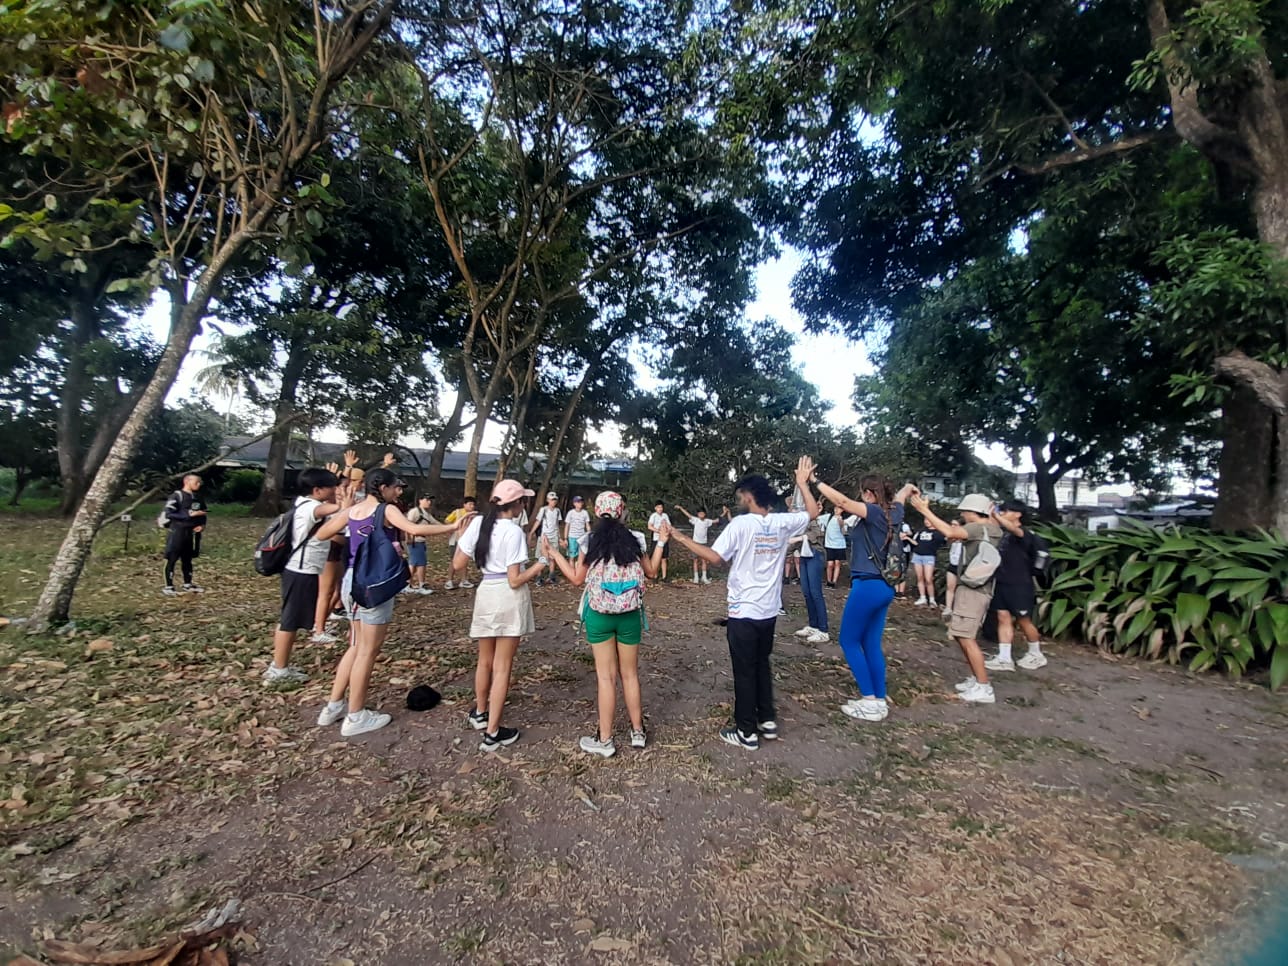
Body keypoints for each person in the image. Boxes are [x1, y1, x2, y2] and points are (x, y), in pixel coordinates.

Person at [663, 458, 819, 751]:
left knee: (745, 670)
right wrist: (802, 483)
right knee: (761, 663)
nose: (738, 502)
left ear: (749, 497)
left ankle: (746, 731)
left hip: (743, 611)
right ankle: (767, 720)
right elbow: (812, 512)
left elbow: (715, 558)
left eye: (739, 497)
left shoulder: (741, 525)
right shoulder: (781, 522)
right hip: (769, 611)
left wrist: (681, 537)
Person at [312, 469, 466, 737]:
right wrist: (452, 527)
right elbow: (415, 528)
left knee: (356, 645)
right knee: (367, 652)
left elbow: (323, 533)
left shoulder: (354, 510)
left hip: (351, 579)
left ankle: (333, 706)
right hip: (374, 582)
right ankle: (356, 715)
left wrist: (350, 526)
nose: (399, 491)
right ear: (382, 488)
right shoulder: (386, 510)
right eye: (397, 487)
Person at [543, 491, 666, 757]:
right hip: (630, 613)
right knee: (630, 674)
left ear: (597, 513)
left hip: (599, 614)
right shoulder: (636, 539)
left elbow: (577, 579)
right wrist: (662, 543)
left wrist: (554, 552)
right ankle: (637, 732)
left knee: (606, 677)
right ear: (622, 512)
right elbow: (652, 572)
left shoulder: (589, 540)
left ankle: (606, 739)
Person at [455, 479, 550, 752]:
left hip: (486, 592)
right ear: (517, 505)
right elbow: (515, 580)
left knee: (485, 660)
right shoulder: (513, 532)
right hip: (507, 598)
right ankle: (493, 732)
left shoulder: (478, 524)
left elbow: (458, 562)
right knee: (502, 666)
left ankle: (480, 712)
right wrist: (542, 564)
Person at [814, 475, 918, 722]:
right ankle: (878, 700)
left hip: (867, 584)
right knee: (870, 642)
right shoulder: (895, 511)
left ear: (869, 494)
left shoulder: (873, 512)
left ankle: (869, 699)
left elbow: (842, 501)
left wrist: (815, 481)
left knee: (848, 641)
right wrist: (907, 488)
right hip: (884, 586)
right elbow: (901, 496)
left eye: (862, 493)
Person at [911, 492, 1003, 705]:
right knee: (963, 636)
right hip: (979, 587)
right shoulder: (993, 528)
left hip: (972, 590)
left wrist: (924, 510)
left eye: (965, 510)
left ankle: (983, 686)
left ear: (974, 512)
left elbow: (949, 531)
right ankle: (976, 679)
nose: (962, 514)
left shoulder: (977, 528)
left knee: (967, 639)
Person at [263, 468, 347, 684]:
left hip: (303, 569)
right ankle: (278, 670)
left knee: (290, 618)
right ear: (317, 490)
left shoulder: (305, 503)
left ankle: (280, 664)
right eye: (331, 487)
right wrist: (346, 502)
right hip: (300, 570)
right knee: (289, 620)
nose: (335, 490)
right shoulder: (311, 507)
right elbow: (340, 511)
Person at [984, 500, 1050, 672]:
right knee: (1003, 617)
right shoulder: (1004, 534)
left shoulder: (1024, 534)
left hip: (1020, 584)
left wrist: (996, 515)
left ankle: (1036, 653)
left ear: (1017, 514)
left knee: (1024, 620)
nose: (1003, 513)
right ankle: (1004, 657)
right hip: (1002, 581)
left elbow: (1015, 529)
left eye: (1006, 510)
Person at [789, 485, 830, 644]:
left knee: (815, 592)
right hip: (805, 557)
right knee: (806, 591)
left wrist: (799, 538)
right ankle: (813, 625)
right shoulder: (796, 524)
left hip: (815, 555)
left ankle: (823, 630)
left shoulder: (811, 518)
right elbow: (791, 545)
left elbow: (816, 534)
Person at [161, 474, 207, 596]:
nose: (199, 485)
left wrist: (201, 525)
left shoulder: (198, 497)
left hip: (191, 533)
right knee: (172, 558)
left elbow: (203, 512)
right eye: (196, 482)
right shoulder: (177, 496)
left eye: (199, 482)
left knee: (188, 558)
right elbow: (169, 513)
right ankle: (168, 586)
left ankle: (188, 584)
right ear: (187, 482)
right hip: (177, 531)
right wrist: (188, 515)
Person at [404, 495, 441, 595]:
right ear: (420, 500)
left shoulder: (426, 514)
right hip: (415, 541)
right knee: (420, 564)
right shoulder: (415, 512)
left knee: (414, 564)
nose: (429, 502)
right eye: (426, 500)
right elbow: (407, 524)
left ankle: (407, 584)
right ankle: (421, 585)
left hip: (421, 541)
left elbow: (435, 523)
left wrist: (450, 527)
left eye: (430, 500)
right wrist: (408, 539)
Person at [673, 503, 716, 584]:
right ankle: (696, 577)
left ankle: (704, 577)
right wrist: (681, 508)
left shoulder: (707, 521)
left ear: (705, 514)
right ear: (698, 514)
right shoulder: (695, 520)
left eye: (702, 513)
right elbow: (688, 515)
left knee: (704, 560)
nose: (701, 514)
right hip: (695, 543)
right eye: (699, 513)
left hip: (704, 543)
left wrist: (725, 513)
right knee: (695, 560)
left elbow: (716, 520)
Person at [529, 492, 564, 585]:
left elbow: (557, 524)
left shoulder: (557, 511)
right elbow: (538, 521)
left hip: (554, 536)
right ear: (548, 500)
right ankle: (539, 577)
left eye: (555, 499)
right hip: (544, 536)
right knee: (540, 556)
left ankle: (551, 577)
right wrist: (532, 532)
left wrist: (560, 537)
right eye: (552, 499)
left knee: (553, 557)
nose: (554, 501)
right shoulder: (543, 510)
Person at [443, 497, 477, 590]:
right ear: (464, 505)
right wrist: (453, 529)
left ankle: (464, 580)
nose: (472, 506)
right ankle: (449, 581)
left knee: (464, 560)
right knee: (453, 561)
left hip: (466, 541)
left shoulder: (474, 515)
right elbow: (447, 521)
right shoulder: (457, 512)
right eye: (470, 504)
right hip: (455, 540)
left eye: (473, 504)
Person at [909, 520, 946, 607]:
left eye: (928, 520)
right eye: (925, 520)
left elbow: (944, 541)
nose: (926, 522)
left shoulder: (938, 532)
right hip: (917, 555)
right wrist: (907, 538)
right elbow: (915, 542)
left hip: (929, 556)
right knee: (920, 577)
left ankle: (932, 599)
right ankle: (922, 597)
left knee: (929, 578)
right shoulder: (921, 531)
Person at [942, 519, 964, 621]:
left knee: (961, 590)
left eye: (955, 525)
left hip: (962, 566)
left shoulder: (965, 539)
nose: (952, 526)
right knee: (950, 586)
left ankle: (959, 610)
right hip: (952, 564)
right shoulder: (951, 539)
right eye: (951, 524)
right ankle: (948, 607)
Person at [823, 503, 849, 588]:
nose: (837, 510)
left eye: (839, 509)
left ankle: (834, 582)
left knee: (837, 563)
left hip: (839, 544)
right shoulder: (828, 517)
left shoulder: (843, 520)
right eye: (836, 508)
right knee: (830, 564)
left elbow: (844, 532)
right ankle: (829, 580)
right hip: (829, 544)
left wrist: (841, 524)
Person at [647, 502, 672, 581]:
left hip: (664, 539)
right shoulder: (653, 516)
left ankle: (664, 577)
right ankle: (655, 576)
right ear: (655, 508)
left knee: (664, 558)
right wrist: (658, 531)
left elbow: (669, 525)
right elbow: (649, 526)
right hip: (656, 539)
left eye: (661, 507)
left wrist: (666, 531)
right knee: (656, 558)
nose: (660, 509)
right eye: (658, 507)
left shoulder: (665, 515)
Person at [564, 495, 591, 559]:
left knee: (581, 557)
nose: (580, 503)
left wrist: (589, 534)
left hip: (582, 537)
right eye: (578, 502)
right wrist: (565, 538)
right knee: (572, 557)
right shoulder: (570, 513)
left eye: (581, 502)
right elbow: (567, 526)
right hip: (572, 537)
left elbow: (587, 525)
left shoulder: (585, 513)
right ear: (574, 503)